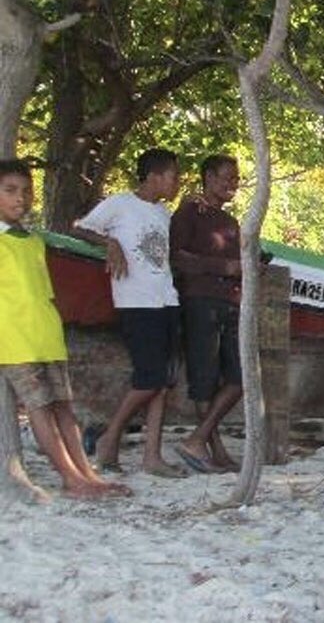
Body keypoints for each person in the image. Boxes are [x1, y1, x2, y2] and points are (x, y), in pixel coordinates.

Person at [0, 159, 130, 499]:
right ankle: (69, 477)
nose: (20, 198)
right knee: (39, 407)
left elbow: (43, 292)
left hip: (47, 335)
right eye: (10, 191)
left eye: (26, 191)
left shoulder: (32, 240)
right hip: (13, 340)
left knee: (63, 406)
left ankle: (88, 474)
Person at [72, 148, 185, 478]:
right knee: (148, 379)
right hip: (137, 302)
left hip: (167, 299)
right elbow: (78, 227)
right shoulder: (120, 204)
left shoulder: (165, 214)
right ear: (153, 176)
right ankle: (110, 439)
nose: (177, 182)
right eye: (173, 176)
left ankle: (152, 456)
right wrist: (110, 243)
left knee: (162, 383)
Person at [169, 154, 244, 473]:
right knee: (204, 379)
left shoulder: (231, 222)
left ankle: (199, 440)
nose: (232, 184)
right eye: (226, 177)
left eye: (236, 179)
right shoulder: (188, 212)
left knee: (240, 377)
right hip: (200, 300)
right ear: (209, 177)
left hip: (230, 302)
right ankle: (209, 447)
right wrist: (224, 267)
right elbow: (177, 258)